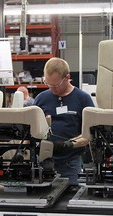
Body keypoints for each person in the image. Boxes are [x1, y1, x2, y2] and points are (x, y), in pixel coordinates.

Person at [33, 57, 95, 186]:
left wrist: (67, 144)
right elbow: (31, 130)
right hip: (44, 162)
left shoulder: (83, 99)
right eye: (48, 84)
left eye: (56, 85)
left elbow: (90, 134)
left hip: (70, 163)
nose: (52, 89)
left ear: (67, 77)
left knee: (69, 198)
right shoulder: (41, 99)